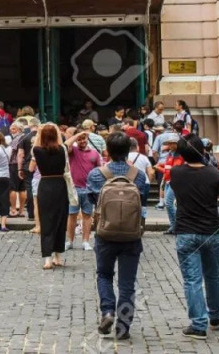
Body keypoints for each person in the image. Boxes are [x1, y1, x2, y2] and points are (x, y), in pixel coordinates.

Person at [169, 134, 219, 340]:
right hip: (211, 231)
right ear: (202, 151)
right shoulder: (214, 174)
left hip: (186, 231)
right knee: (213, 275)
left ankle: (198, 324)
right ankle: (216, 314)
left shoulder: (176, 173)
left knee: (192, 280)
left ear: (181, 154)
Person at [86, 131, 149, 340]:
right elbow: (143, 201)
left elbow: (92, 200)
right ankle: (123, 327)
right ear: (128, 151)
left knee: (104, 275)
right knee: (127, 283)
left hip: (105, 233)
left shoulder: (96, 174)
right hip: (131, 235)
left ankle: (107, 311)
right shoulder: (139, 175)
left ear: (107, 151)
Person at [30, 123, 69, 269]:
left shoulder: (37, 150)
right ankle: (58, 256)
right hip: (60, 185)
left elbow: (35, 146)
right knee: (60, 220)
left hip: (45, 185)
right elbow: (62, 143)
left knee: (46, 221)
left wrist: (39, 132)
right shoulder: (62, 149)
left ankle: (47, 258)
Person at [65, 130, 102, 250]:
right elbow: (66, 145)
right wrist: (76, 135)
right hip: (74, 188)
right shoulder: (73, 151)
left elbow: (99, 170)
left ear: (87, 139)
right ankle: (69, 241)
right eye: (79, 139)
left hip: (88, 189)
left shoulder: (95, 153)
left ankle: (85, 241)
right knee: (72, 215)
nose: (82, 141)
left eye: (84, 138)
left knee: (87, 215)